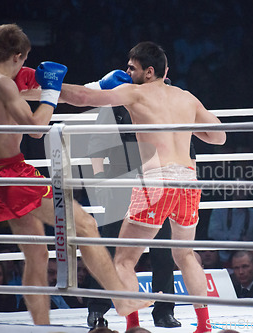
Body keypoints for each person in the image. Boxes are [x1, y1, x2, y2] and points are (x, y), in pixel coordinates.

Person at [0, 23, 152, 325]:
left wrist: (97, 86)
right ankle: (122, 300)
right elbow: (36, 128)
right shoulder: (2, 85)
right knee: (85, 224)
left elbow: (69, 94)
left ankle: (41, 325)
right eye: (25, 60)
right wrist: (52, 93)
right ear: (19, 55)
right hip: (14, 175)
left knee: (38, 256)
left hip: (5, 173)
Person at [60, 41, 226, 333]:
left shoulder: (135, 93)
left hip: (157, 180)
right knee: (185, 255)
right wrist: (184, 126)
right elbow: (218, 136)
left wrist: (47, 90)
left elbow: (85, 96)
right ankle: (204, 327)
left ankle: (133, 325)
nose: (126, 72)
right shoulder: (186, 97)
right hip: (188, 179)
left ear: (149, 72)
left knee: (123, 260)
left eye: (132, 68)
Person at [85, 76, 192, 329]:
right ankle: (97, 308)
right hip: (121, 178)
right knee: (110, 246)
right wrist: (102, 183)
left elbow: (185, 145)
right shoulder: (116, 99)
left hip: (159, 178)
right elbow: (96, 145)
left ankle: (164, 311)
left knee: (162, 246)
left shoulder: (170, 101)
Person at [208, 188, 253, 266]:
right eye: (238, 187)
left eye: (244, 187)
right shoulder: (219, 211)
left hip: (246, 261)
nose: (241, 190)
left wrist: (248, 243)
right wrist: (235, 239)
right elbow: (212, 233)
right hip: (220, 258)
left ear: (249, 190)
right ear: (231, 189)